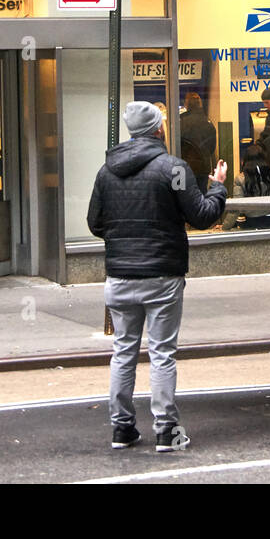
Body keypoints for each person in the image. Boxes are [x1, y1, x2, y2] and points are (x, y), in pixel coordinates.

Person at [86, 101, 227, 453]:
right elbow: (203, 216)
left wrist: (123, 239)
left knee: (123, 351)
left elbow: (95, 223)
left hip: (119, 276)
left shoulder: (107, 171)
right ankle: (166, 431)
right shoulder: (172, 168)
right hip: (162, 275)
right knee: (162, 353)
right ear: (159, 129)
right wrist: (218, 187)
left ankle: (121, 429)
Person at [222, 144, 270, 230]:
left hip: (252, 222)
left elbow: (236, 208)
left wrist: (225, 226)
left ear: (245, 160)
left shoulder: (240, 179)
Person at [178, 92, 217, 192]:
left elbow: (176, 144)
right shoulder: (207, 121)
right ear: (200, 104)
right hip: (202, 167)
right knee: (201, 193)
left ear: (186, 105)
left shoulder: (180, 121)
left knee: (183, 195)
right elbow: (212, 147)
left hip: (184, 166)